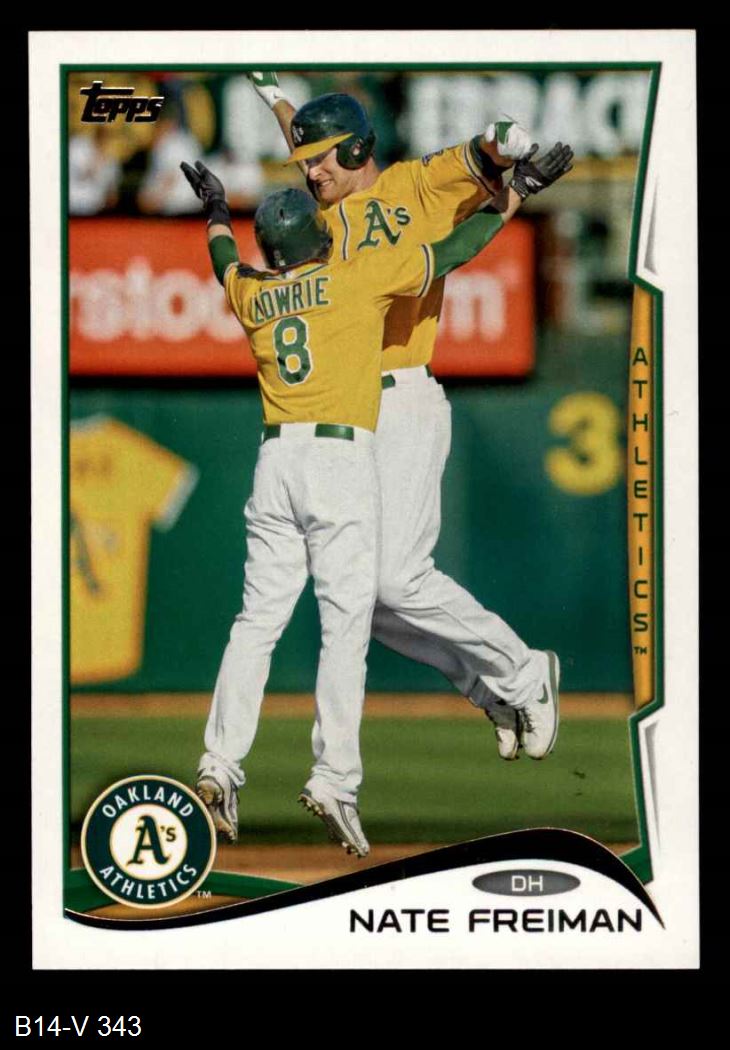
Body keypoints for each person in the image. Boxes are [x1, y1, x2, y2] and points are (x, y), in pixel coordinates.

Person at [181, 140, 572, 855]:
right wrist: (518, 190)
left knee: (257, 622)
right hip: (338, 458)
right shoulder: (353, 277)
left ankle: (219, 766)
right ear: (320, 239)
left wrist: (213, 210)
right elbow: (454, 250)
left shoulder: (252, 293)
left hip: (275, 461)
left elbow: (222, 261)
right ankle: (336, 777)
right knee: (348, 626)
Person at [248, 73, 561, 763]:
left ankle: (524, 670)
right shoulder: (321, 212)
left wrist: (509, 152)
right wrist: (273, 96)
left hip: (402, 394)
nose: (311, 172)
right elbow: (305, 135)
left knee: (395, 580)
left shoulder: (417, 186)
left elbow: (485, 149)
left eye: (323, 159)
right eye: (305, 162)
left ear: (358, 150)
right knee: (360, 596)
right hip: (350, 408)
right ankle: (490, 687)